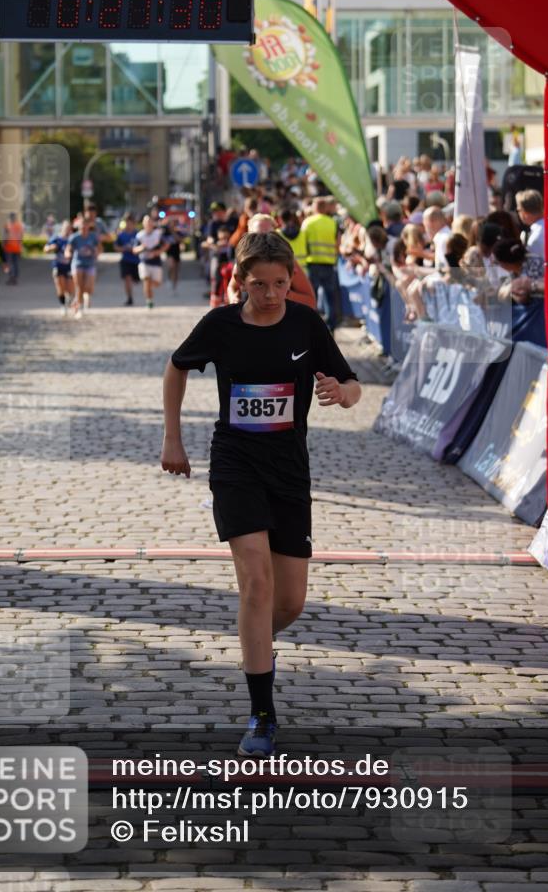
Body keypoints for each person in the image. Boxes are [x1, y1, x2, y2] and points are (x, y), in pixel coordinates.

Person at [161, 231, 361, 757]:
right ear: (240, 281)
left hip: (289, 471)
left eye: (279, 284)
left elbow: (352, 383)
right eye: (259, 285)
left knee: (288, 602)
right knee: (256, 581)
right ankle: (262, 712)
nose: (271, 295)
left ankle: (255, 643)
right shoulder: (220, 324)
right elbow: (176, 367)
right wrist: (172, 438)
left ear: (291, 279)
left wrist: (342, 394)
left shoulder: (306, 323)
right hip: (235, 464)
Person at [227, 214, 316, 309]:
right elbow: (232, 287)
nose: (263, 240)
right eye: (257, 235)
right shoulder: (244, 260)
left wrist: (283, 292)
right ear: (249, 234)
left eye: (268, 234)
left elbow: (310, 301)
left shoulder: (285, 261)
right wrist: (233, 299)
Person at [301, 196, 340, 332]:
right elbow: (337, 242)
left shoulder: (308, 222)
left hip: (312, 263)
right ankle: (330, 327)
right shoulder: (332, 222)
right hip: (328, 263)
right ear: (325, 208)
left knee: (312, 296)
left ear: (314, 208)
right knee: (330, 297)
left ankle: (312, 325)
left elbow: (303, 242)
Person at [66, 215, 102, 319]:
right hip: (78, 264)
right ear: (78, 226)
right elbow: (68, 249)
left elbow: (100, 248)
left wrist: (97, 253)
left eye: (85, 225)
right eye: (81, 225)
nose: (83, 227)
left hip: (90, 264)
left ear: (89, 225)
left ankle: (77, 300)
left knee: (89, 288)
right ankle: (79, 309)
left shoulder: (93, 236)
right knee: (79, 286)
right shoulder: (74, 237)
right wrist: (68, 253)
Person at [133, 214, 169, 309]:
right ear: (143, 224)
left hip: (156, 263)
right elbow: (134, 250)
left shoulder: (158, 234)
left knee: (157, 283)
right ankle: (149, 301)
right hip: (144, 262)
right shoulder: (140, 236)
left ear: (152, 223)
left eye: (150, 222)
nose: (148, 224)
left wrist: (158, 252)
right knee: (146, 280)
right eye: (146, 222)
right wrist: (142, 247)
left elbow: (166, 245)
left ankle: (149, 291)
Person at [44, 219, 75, 315]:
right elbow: (45, 248)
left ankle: (69, 300)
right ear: (62, 228)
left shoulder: (73, 239)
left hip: (70, 267)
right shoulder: (56, 238)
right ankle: (62, 306)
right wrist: (50, 247)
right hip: (58, 265)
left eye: (69, 228)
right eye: (66, 228)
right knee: (60, 286)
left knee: (70, 288)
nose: (67, 230)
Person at [115, 213, 140, 306]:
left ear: (134, 223)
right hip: (125, 260)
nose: (129, 225)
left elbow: (144, 245)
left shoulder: (138, 234)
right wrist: (124, 249)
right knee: (127, 279)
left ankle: (133, 289)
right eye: (127, 222)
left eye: (130, 223)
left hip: (137, 261)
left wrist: (136, 249)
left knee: (135, 280)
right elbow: (116, 247)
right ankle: (129, 298)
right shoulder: (121, 235)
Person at [162, 216, 187, 293]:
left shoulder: (178, 231)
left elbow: (180, 240)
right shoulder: (165, 232)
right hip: (169, 252)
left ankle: (175, 285)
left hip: (176, 252)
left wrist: (174, 232)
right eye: (171, 223)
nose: (172, 225)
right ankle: (169, 279)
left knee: (176, 269)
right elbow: (162, 241)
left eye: (173, 223)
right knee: (171, 266)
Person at [3, 212, 24, 285]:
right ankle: (15, 277)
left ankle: (11, 277)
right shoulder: (19, 226)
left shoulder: (7, 225)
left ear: (9, 218)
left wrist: (3, 245)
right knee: (15, 263)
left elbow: (5, 237)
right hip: (17, 247)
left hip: (9, 247)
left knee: (10, 263)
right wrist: (20, 246)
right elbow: (21, 237)